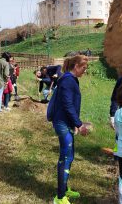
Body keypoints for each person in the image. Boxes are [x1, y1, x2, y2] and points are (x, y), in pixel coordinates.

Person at [52, 55, 90, 204]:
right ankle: (59, 198)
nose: (84, 71)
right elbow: (67, 104)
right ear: (76, 66)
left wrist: (74, 123)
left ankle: (64, 189)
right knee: (65, 158)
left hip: (67, 123)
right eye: (83, 68)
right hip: (62, 123)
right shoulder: (68, 80)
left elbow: (71, 104)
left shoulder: (71, 79)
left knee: (70, 156)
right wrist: (79, 124)